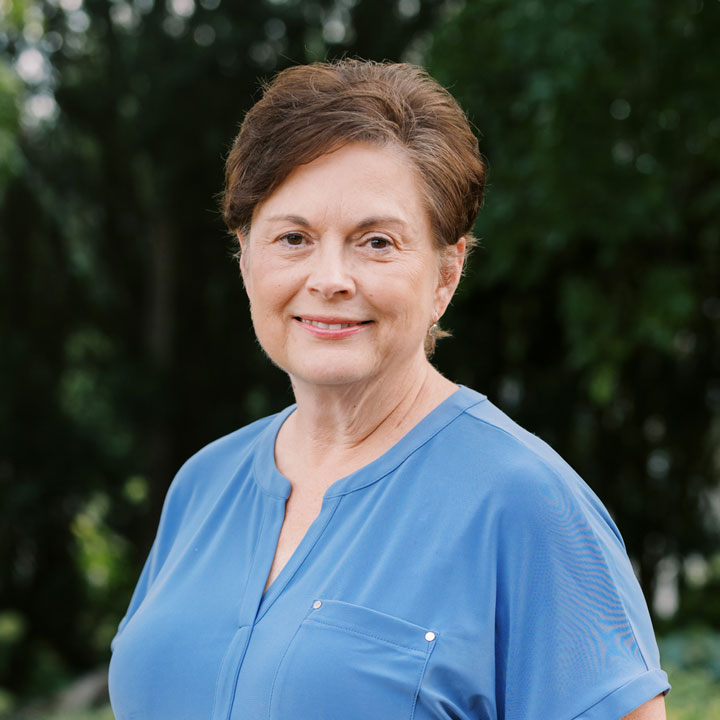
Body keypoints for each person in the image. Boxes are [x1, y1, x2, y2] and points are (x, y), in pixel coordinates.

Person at [108, 59, 670, 719]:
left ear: (445, 275)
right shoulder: (203, 486)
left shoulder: (526, 505)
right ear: (245, 255)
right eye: (293, 238)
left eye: (376, 242)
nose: (331, 277)